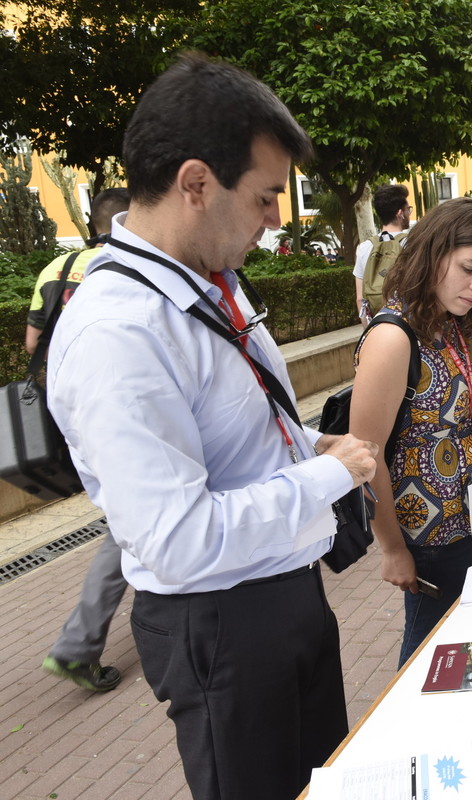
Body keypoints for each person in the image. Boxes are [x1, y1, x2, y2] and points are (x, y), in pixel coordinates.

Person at [46, 54, 379, 800]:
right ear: (196, 184)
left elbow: (236, 430)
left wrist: (303, 445)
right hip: (222, 618)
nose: (274, 219)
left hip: (280, 587)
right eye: (264, 197)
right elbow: (179, 538)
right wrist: (329, 474)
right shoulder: (119, 331)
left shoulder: (205, 283)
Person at [349, 197, 472, 668]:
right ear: (432, 253)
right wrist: (393, 549)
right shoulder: (393, 336)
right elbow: (365, 457)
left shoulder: (447, 322)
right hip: (430, 530)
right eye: (468, 268)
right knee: (428, 652)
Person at [34, 187, 131, 692]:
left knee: (120, 516)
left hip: (68, 408)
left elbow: (33, 343)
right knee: (125, 524)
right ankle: (78, 646)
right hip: (115, 409)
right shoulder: (127, 266)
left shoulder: (56, 268)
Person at [25, 188, 130, 355]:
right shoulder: (138, 268)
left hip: (64, 379)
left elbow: (33, 343)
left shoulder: (56, 267)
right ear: (130, 220)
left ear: (94, 223)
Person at [354, 183, 411, 324]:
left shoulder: (364, 248)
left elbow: (360, 299)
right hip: (408, 325)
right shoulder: (414, 244)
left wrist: (368, 332)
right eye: (408, 209)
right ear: (400, 213)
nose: (409, 213)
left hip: (378, 324)